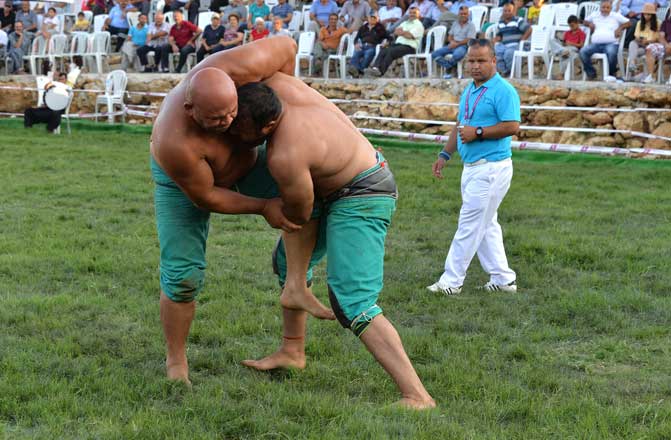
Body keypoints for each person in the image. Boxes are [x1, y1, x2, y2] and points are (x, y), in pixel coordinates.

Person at [230, 75, 436, 410]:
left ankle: (418, 396)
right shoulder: (283, 89)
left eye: (240, 131)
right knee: (286, 262)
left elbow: (297, 213)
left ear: (267, 126)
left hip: (365, 191)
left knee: (352, 300)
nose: (234, 137)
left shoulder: (286, 154)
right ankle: (292, 351)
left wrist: (296, 280)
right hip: (344, 179)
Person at [150, 37, 308, 385]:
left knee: (308, 201)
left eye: (232, 113)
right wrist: (264, 207)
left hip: (251, 159)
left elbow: (287, 46)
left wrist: (279, 116)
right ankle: (176, 362)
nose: (226, 122)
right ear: (191, 111)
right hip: (188, 184)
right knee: (183, 274)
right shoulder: (174, 141)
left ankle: (293, 346)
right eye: (216, 119)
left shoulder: (241, 66)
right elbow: (206, 196)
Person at [427, 39, 518, 297]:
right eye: (471, 61)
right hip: (472, 168)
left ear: (493, 61)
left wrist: (478, 132)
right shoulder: (470, 89)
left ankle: (451, 282)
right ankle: (503, 279)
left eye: (481, 61)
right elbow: (460, 125)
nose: (475, 66)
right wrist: (445, 154)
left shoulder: (504, 90)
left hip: (491, 168)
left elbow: (512, 126)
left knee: (469, 224)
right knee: (486, 225)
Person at [364, 5, 423, 77]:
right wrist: (404, 32)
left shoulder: (419, 25)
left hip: (409, 47)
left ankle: (381, 72)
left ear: (418, 15)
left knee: (391, 52)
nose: (412, 14)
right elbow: (396, 32)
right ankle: (375, 68)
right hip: (398, 45)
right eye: (410, 13)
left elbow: (410, 36)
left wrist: (402, 32)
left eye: (414, 13)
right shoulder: (405, 23)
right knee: (384, 49)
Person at [580, 0, 630, 80]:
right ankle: (592, 73)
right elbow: (584, 21)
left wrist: (620, 28)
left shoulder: (616, 15)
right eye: (603, 7)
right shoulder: (595, 14)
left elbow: (628, 22)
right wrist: (589, 24)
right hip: (596, 45)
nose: (605, 9)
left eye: (608, 8)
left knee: (611, 53)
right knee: (583, 51)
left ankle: (611, 74)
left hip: (611, 43)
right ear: (600, 7)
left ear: (611, 8)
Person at [431, 6, 476, 79]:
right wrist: (452, 42)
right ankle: (449, 66)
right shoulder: (455, 23)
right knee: (434, 54)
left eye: (465, 14)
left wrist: (457, 44)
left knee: (457, 55)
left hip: (463, 46)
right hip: (452, 44)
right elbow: (450, 36)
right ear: (458, 14)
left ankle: (448, 70)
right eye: (461, 14)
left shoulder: (471, 25)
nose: (463, 15)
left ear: (468, 15)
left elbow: (469, 39)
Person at [494, 3, 531, 76]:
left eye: (509, 11)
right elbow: (499, 35)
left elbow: (529, 29)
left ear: (513, 11)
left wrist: (522, 39)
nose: (507, 13)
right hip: (504, 45)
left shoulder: (518, 20)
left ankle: (511, 71)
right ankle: (504, 71)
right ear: (503, 12)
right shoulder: (500, 22)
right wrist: (495, 40)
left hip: (516, 45)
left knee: (508, 53)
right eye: (505, 11)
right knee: (497, 51)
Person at [348, 11, 387, 77]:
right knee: (356, 53)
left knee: (368, 54)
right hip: (362, 45)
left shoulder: (380, 28)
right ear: (368, 18)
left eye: (374, 17)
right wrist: (356, 43)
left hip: (372, 46)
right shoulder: (363, 27)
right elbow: (356, 38)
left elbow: (387, 37)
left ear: (377, 19)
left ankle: (358, 71)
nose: (372, 19)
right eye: (371, 17)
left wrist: (385, 42)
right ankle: (356, 70)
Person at [626, 3, 659, 80]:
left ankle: (633, 70)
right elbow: (636, 35)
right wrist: (640, 40)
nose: (646, 16)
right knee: (632, 43)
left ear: (653, 15)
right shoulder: (639, 23)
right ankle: (633, 65)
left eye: (649, 15)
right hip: (640, 45)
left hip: (650, 47)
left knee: (633, 52)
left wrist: (648, 41)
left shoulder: (658, 23)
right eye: (645, 14)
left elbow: (657, 38)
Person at [548, 14, 586, 79]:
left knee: (566, 53)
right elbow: (564, 43)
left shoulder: (581, 33)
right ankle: (561, 52)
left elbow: (581, 45)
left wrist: (572, 43)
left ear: (577, 23)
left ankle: (561, 74)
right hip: (565, 49)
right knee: (552, 40)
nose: (571, 27)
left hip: (574, 49)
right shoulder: (567, 33)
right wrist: (563, 44)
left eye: (572, 26)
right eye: (570, 26)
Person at [643, 8, 671, 83]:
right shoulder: (666, 22)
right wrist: (666, 45)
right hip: (666, 45)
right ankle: (651, 76)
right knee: (650, 48)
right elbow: (661, 36)